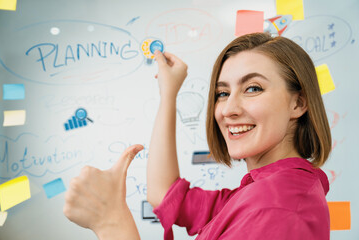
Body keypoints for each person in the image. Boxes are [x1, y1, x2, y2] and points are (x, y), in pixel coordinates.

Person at [64, 32, 332, 240]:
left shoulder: (276, 206)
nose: (228, 109)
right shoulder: (260, 190)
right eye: (222, 93)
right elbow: (165, 195)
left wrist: (110, 221)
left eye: (252, 88)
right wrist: (169, 94)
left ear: (298, 104)